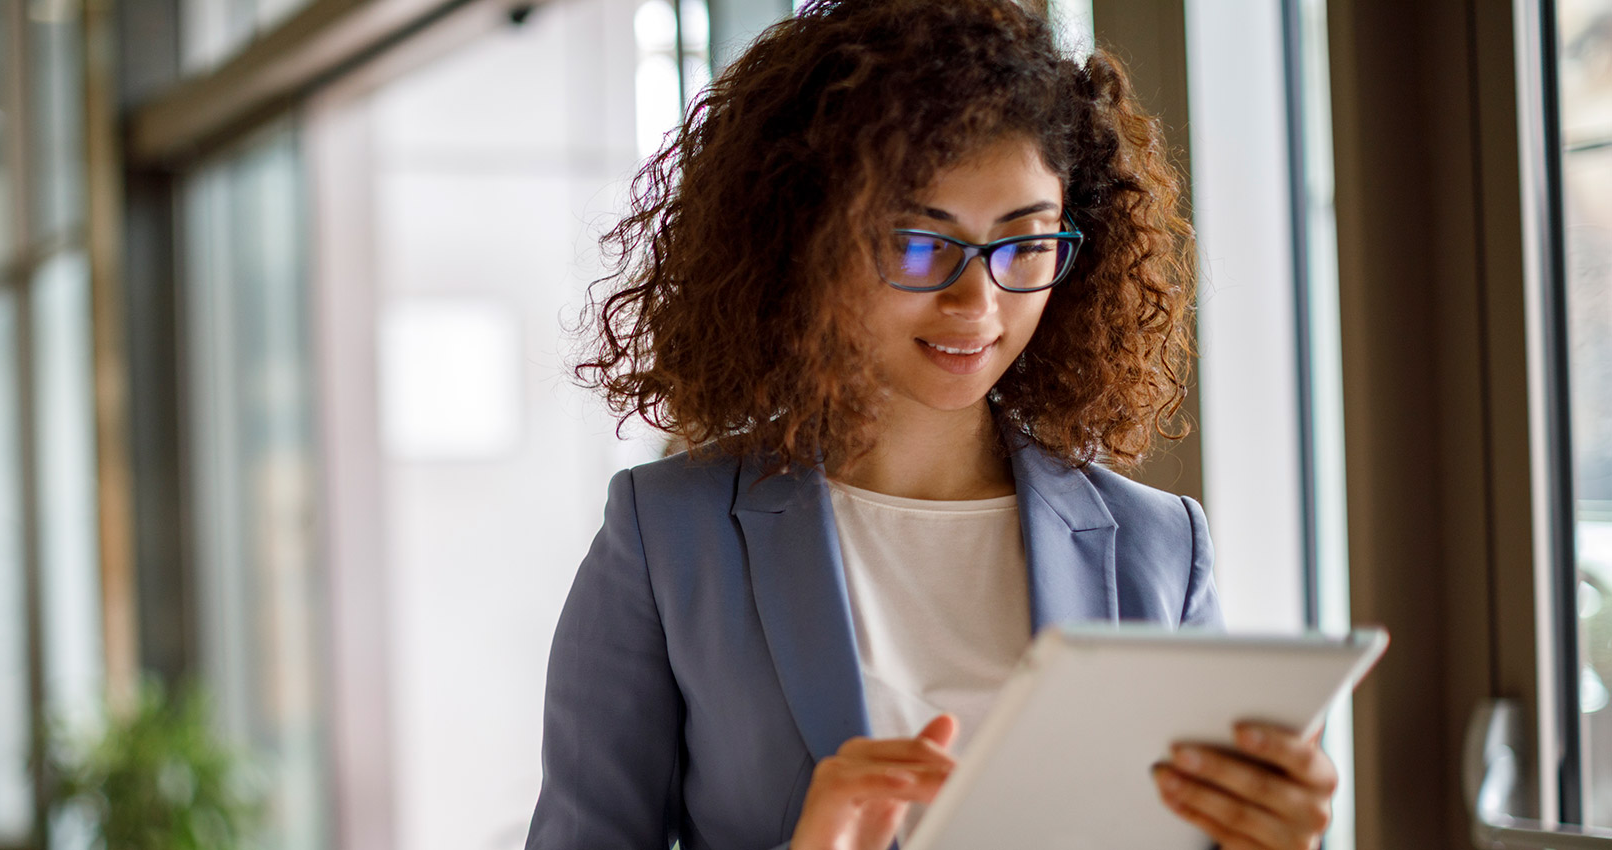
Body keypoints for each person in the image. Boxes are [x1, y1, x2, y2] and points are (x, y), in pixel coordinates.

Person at [526, 1, 1337, 849]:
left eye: (1024, 244)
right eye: (919, 243)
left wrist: (1269, 835)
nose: (977, 304)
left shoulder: (1160, 548)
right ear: (807, 240)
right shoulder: (668, 538)